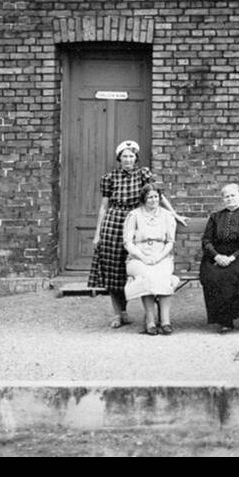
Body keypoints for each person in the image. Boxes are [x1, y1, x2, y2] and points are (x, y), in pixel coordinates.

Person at [88, 139, 186, 328]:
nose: (128, 159)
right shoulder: (110, 177)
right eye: (124, 156)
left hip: (138, 220)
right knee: (113, 270)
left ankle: (150, 316)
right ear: (119, 158)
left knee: (143, 266)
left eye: (131, 156)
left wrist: (173, 213)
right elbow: (103, 207)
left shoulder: (143, 173)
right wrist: (97, 233)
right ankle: (119, 313)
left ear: (136, 158)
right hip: (114, 222)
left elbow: (158, 194)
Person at [199, 183, 239, 332]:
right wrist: (217, 256)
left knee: (227, 274)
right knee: (211, 274)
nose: (230, 199)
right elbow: (206, 241)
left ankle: (232, 314)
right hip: (216, 255)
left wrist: (232, 257)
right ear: (222, 199)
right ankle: (221, 319)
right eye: (226, 196)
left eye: (233, 195)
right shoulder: (215, 217)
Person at [123, 183, 179, 335]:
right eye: (149, 197)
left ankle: (166, 320)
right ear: (143, 199)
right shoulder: (134, 215)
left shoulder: (167, 215)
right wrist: (142, 257)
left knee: (163, 275)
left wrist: (158, 257)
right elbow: (128, 242)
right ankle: (150, 319)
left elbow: (170, 242)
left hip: (162, 256)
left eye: (156, 197)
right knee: (146, 275)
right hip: (138, 257)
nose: (153, 200)